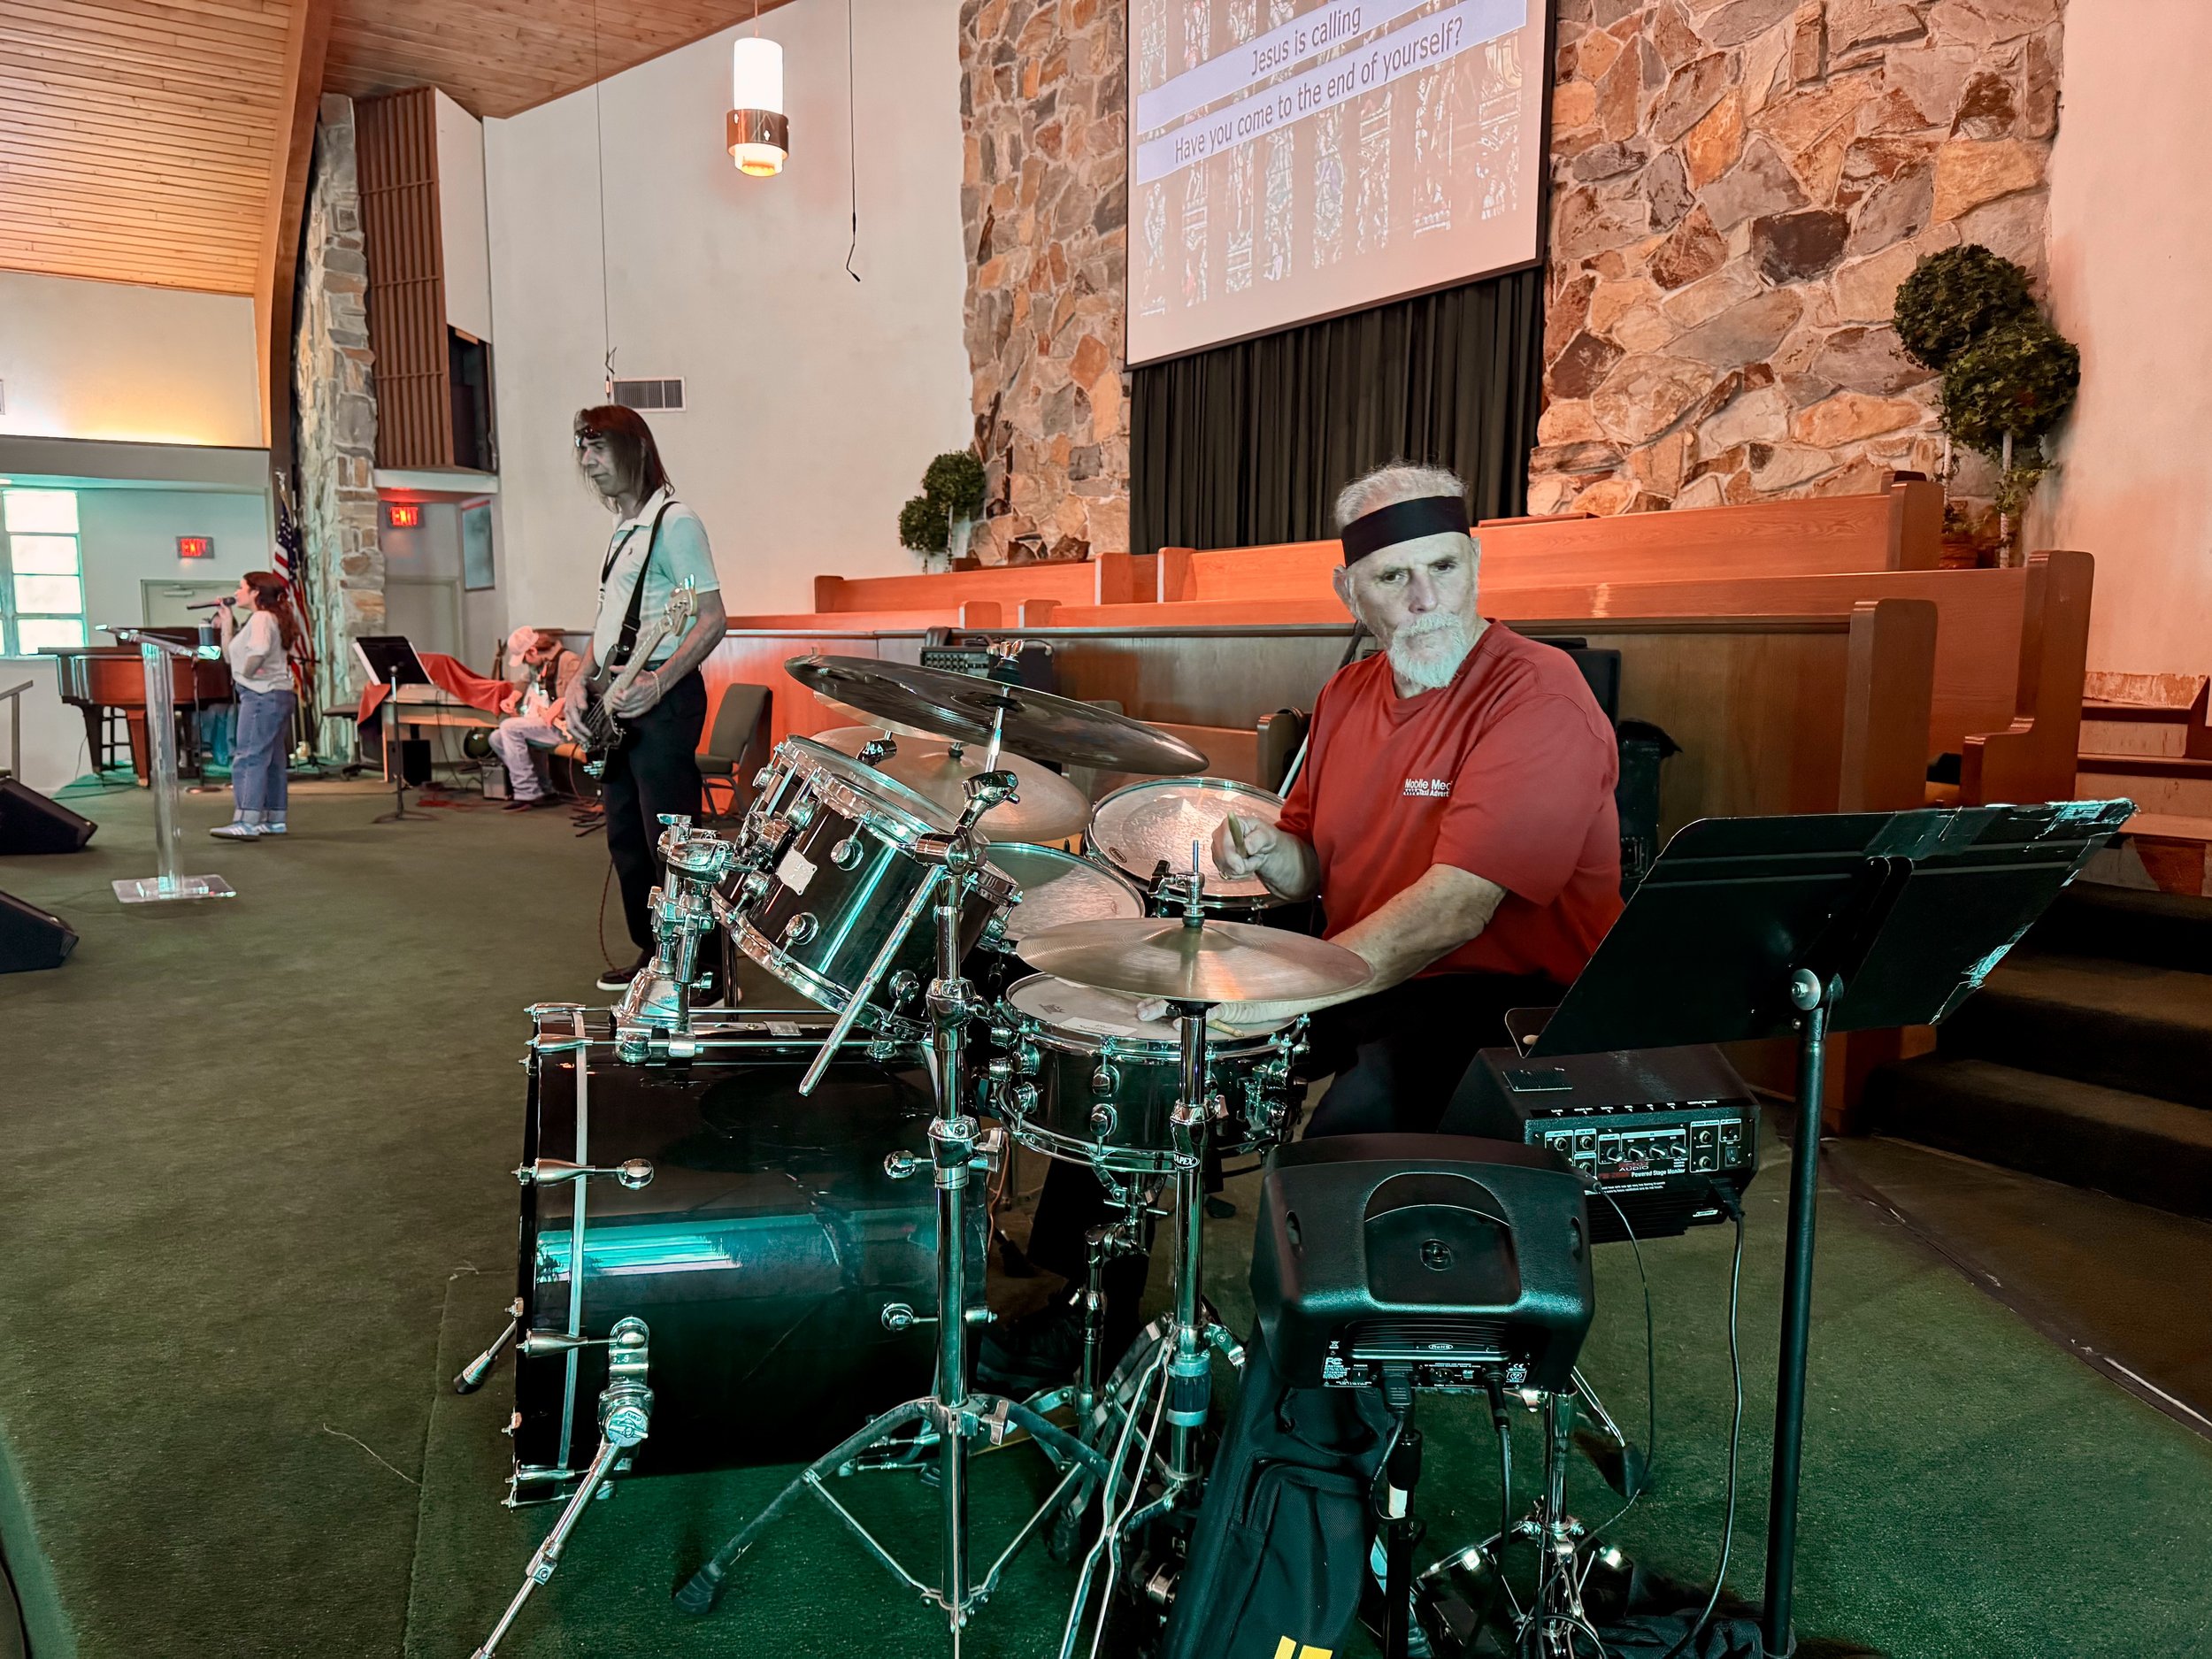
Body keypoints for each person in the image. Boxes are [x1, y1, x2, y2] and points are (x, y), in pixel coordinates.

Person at [979, 461, 1624, 1392]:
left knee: (1342, 1148)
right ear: (1347, 590)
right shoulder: (1347, 695)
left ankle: (1305, 1407)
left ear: (1475, 564)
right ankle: (1082, 1314)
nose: (1425, 598)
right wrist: (1269, 854)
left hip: (1504, 1001)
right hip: (1362, 969)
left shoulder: (1537, 692)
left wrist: (1278, 998)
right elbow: (1313, 861)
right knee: (1135, 1046)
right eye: (1392, 577)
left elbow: (1457, 906)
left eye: (1444, 567)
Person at [564, 406, 728, 993]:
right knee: (627, 839)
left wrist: (659, 683)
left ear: (634, 450)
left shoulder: (675, 523)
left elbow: (712, 619)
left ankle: (701, 966)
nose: (588, 462)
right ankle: (656, 953)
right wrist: (577, 679)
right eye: (583, 450)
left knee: (672, 841)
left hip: (665, 699)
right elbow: (608, 625)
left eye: (598, 448)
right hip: (616, 698)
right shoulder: (623, 531)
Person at [210, 570, 303, 841]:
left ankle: (246, 820)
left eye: (241, 588)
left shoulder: (261, 618)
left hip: (261, 695)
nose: (236, 592)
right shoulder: (271, 617)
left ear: (255, 592)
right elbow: (231, 657)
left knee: (249, 757)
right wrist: (227, 624)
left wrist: (247, 675)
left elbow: (258, 651)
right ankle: (274, 819)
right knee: (272, 759)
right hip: (277, 694)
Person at [488, 628, 582, 811]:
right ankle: (543, 789)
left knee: (509, 727)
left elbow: (580, 694)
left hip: (566, 727)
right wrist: (512, 699)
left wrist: (561, 704)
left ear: (532, 651)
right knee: (496, 738)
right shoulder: (540, 663)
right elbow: (524, 681)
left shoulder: (569, 661)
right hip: (547, 722)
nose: (526, 664)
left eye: (525, 659)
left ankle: (527, 792)